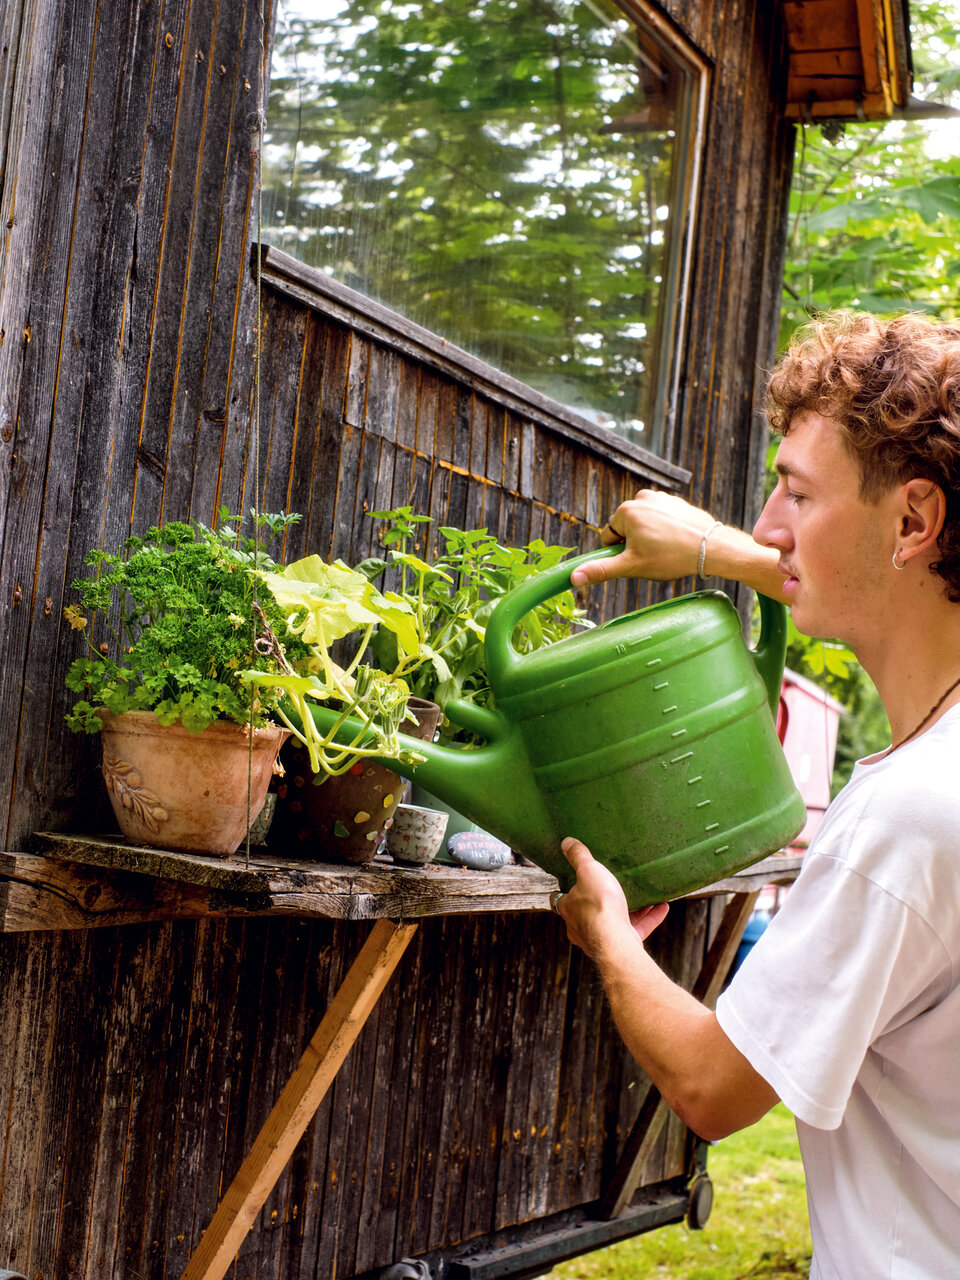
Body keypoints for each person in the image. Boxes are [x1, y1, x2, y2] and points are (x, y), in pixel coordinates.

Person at [554, 311, 960, 1279]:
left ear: (913, 520)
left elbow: (711, 1084)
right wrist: (717, 551)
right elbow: (886, 588)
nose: (769, 525)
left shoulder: (909, 819)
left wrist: (606, 930)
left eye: (797, 493)